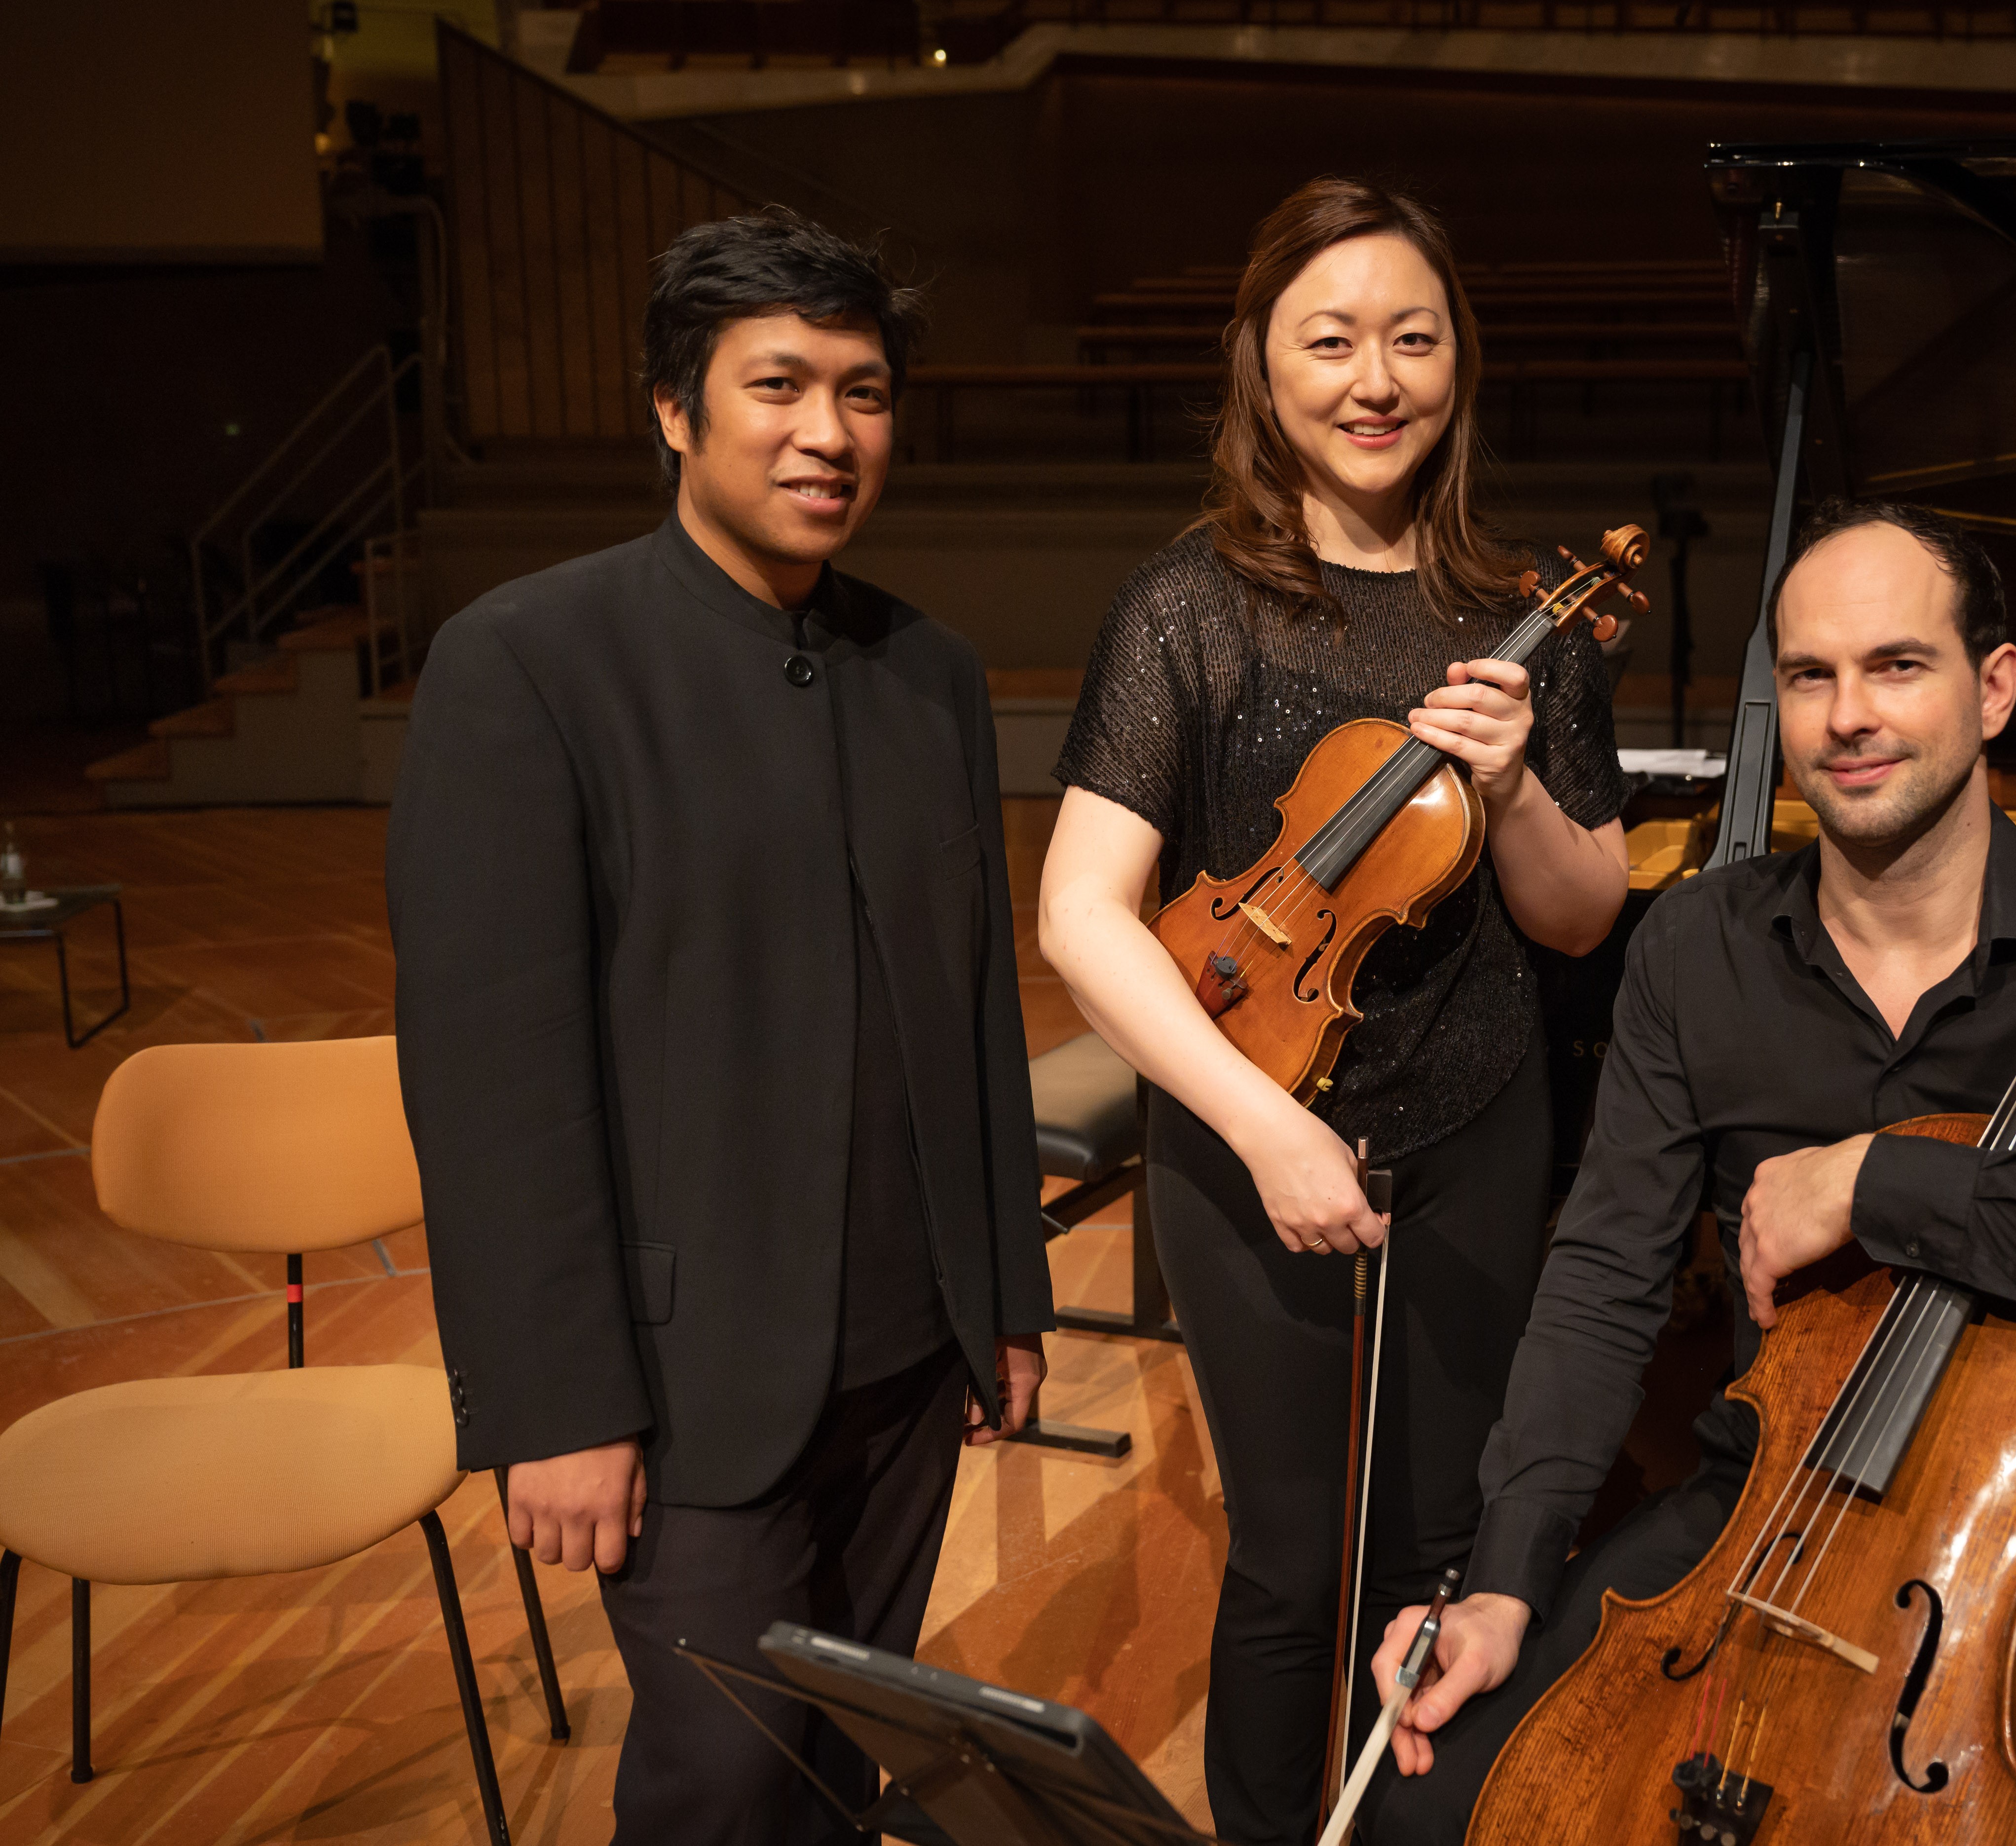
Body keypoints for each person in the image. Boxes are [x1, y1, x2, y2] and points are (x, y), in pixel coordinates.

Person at [1362, 500, 2016, 1845]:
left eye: (1895, 666)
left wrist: (1878, 1183)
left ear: (1993, 688)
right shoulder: (1695, 946)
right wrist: (1504, 1579)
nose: (1845, 714)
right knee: (1429, 1816)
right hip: (1755, 1504)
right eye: (1809, 676)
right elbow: (1600, 1280)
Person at [390, 207, 1054, 1846]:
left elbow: (973, 1018)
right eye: (778, 386)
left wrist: (1004, 1299)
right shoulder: (528, 662)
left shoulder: (930, 672)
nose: (828, 433)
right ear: (675, 412)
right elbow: (494, 1080)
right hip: (681, 1379)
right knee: (718, 1786)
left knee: (842, 1777)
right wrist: (553, 1405)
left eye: (865, 391)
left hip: (909, 1360)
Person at [1038, 176, 1632, 1844]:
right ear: (1263, 369)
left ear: (1458, 364)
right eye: (1330, 339)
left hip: (1479, 1119)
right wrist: (1266, 1126)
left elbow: (1579, 919)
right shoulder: (1189, 609)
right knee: (1296, 1565)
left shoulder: (1525, 623)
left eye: (1411, 338)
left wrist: (1515, 782)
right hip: (1251, 1136)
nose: (1375, 379)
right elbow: (1081, 916)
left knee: (1442, 1546)